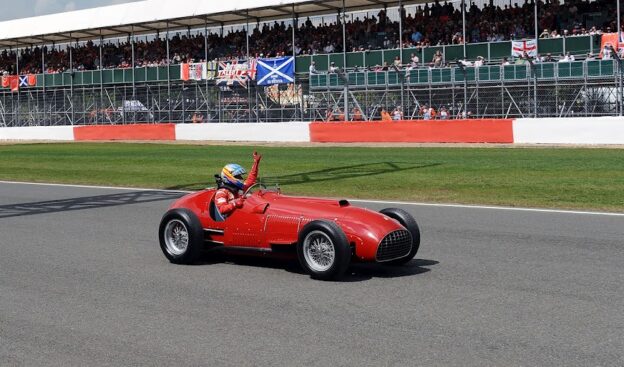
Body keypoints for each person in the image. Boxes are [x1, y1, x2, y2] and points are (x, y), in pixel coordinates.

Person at [215, 152, 262, 217]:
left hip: (242, 215)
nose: (241, 178)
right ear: (228, 176)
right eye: (237, 176)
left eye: (240, 176)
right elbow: (221, 209)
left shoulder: (240, 187)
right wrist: (234, 204)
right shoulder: (222, 192)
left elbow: (251, 179)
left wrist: (256, 163)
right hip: (230, 220)